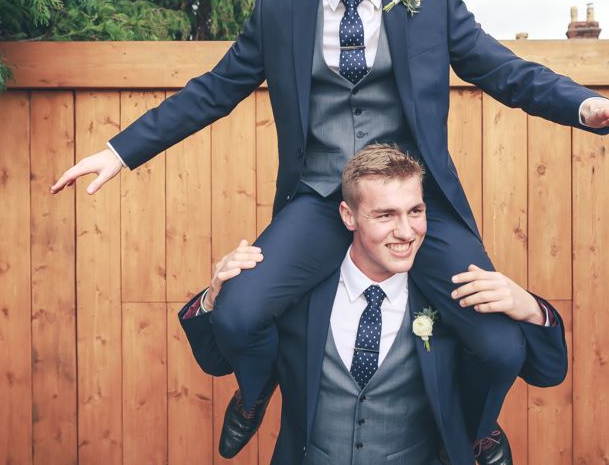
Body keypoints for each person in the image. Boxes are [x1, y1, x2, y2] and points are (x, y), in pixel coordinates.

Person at [50, 0, 609, 461]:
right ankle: (255, 394)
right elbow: (213, 91)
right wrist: (119, 151)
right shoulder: (280, 6)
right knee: (236, 316)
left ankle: (479, 426)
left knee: (502, 346)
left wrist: (584, 107)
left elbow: (506, 71)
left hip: (410, 206)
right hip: (320, 198)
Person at [179, 145, 569, 464]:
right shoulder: (298, 297)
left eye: (415, 212)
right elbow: (217, 359)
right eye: (385, 215)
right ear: (349, 215)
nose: (406, 231)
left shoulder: (450, 302)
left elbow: (547, 372)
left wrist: (532, 308)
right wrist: (216, 296)